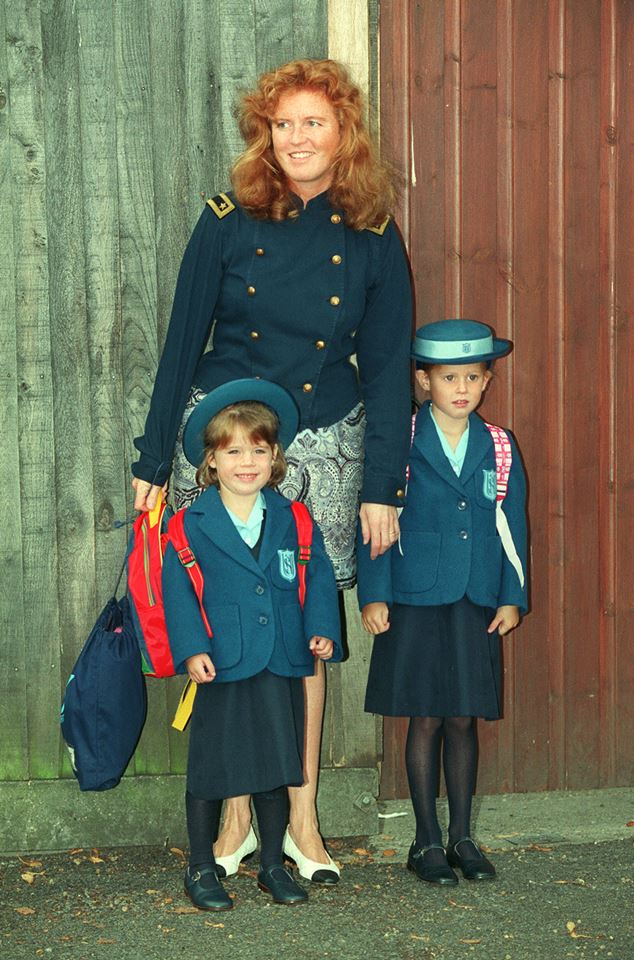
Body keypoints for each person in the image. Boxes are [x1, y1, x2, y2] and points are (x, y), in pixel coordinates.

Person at [131, 58, 412, 881]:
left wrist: (381, 487)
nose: (296, 138)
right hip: (231, 437)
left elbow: (391, 364)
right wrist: (155, 457)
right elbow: (182, 340)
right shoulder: (227, 218)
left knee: (305, 638)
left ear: (343, 134)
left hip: (326, 442)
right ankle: (228, 821)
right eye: (282, 123)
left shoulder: (372, 233)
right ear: (266, 131)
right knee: (218, 628)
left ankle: (301, 819)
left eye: (313, 122)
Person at [357, 320, 528, 885]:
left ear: (486, 382)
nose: (462, 388)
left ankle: (463, 837)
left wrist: (512, 597)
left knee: (462, 718)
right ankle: (424, 840)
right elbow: (378, 521)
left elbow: (512, 527)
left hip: (474, 600)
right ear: (424, 380)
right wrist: (374, 593)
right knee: (425, 718)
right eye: (449, 376)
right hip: (413, 599)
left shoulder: (498, 447)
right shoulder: (399, 441)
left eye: (473, 378)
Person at [162, 379, 342, 909]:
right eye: (233, 451)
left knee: (275, 764)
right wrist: (192, 648)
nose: (247, 462)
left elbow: (320, 576)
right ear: (211, 462)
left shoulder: (293, 519)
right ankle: (200, 867)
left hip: (282, 658)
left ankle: (270, 865)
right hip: (220, 662)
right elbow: (178, 594)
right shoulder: (188, 525)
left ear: (274, 458)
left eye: (258, 451)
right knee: (213, 767)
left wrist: (322, 628)